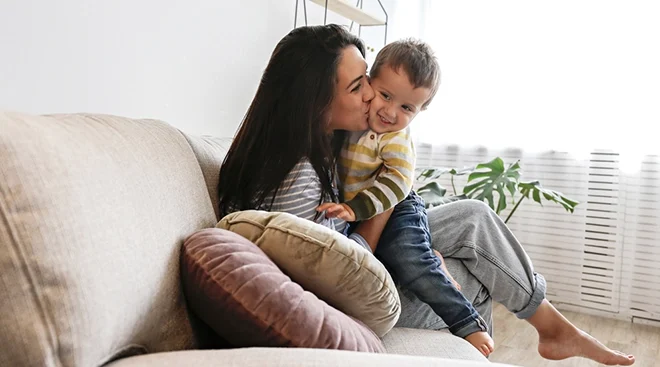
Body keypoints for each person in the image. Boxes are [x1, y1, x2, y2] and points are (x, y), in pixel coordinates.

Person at [217, 24, 635, 366]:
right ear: (315, 98)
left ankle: (551, 327)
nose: (370, 97)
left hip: (367, 249)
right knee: (472, 278)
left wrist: (406, 228)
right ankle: (541, 333)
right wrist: (389, 207)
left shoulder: (321, 142)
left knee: (472, 217)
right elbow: (342, 273)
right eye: (359, 86)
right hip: (352, 299)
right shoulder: (296, 177)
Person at [316, 39, 493, 356]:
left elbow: (398, 183)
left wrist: (354, 208)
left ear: (421, 110)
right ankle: (433, 259)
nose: (389, 111)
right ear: (370, 83)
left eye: (406, 108)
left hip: (396, 207)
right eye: (385, 96)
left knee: (410, 259)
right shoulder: (353, 119)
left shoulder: (396, 138)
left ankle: (467, 322)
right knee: (395, 265)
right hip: (364, 211)